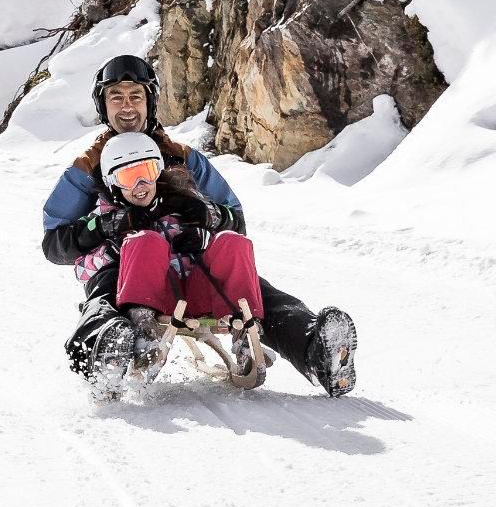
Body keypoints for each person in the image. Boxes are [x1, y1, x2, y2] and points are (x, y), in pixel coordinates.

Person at [39, 52, 357, 396]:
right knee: (103, 301)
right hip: (125, 269)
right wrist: (104, 229)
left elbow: (233, 219)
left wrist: (206, 223)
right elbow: (55, 244)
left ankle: (318, 350)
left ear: (150, 101)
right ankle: (105, 354)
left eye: (136, 96)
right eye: (116, 96)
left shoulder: (184, 158)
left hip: (191, 266)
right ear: (103, 106)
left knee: (258, 293)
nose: (127, 106)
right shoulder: (87, 168)